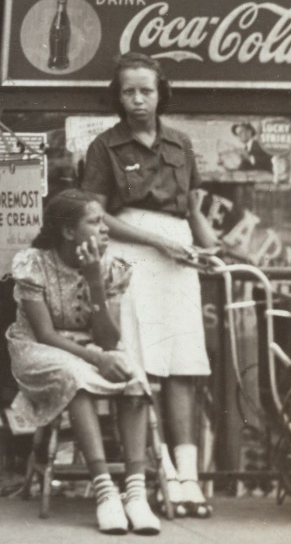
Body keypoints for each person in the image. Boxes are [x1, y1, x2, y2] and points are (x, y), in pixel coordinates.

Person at [80, 54, 219, 515]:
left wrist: (209, 247)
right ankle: (149, 475)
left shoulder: (180, 143)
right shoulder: (105, 146)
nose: (138, 99)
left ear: (161, 93)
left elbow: (193, 207)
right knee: (139, 367)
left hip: (178, 258)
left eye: (146, 90)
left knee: (182, 366)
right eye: (129, 91)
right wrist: (158, 242)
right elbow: (95, 215)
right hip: (134, 255)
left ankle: (186, 478)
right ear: (117, 96)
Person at [5, 188, 159, 536]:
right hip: (37, 349)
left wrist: (94, 282)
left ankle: (135, 493)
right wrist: (99, 360)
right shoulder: (34, 264)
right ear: (68, 231)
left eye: (104, 221)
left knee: (133, 375)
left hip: (92, 347)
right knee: (76, 377)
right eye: (94, 222)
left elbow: (108, 339)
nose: (105, 229)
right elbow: (44, 334)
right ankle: (105, 491)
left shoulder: (109, 268)